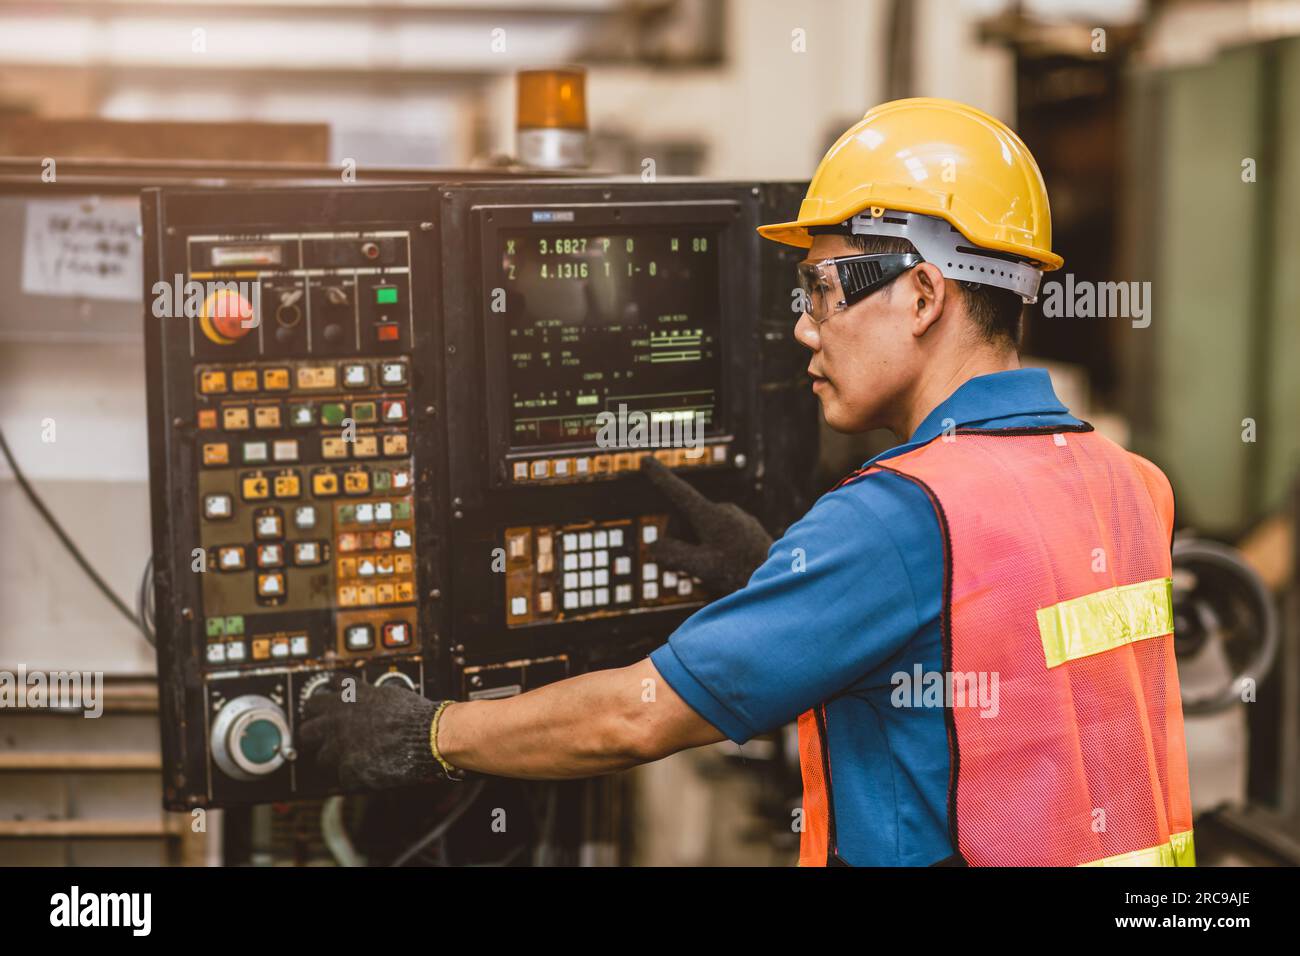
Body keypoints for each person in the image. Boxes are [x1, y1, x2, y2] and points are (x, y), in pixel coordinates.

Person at [300, 97, 1194, 867]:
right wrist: (799, 593)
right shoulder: (1129, 482)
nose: (806, 330)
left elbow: (634, 720)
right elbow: (995, 666)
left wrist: (425, 733)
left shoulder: (900, 517)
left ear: (922, 296)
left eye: (822, 291)